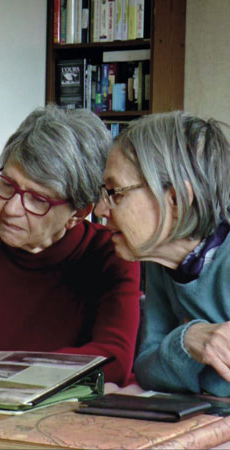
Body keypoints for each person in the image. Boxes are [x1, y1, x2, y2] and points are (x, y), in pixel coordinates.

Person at [0, 105, 142, 386]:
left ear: (79, 213)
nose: (10, 209)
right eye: (8, 185)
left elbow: (113, 363)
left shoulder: (112, 253)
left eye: (37, 199)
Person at [94, 111, 230, 395]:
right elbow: (146, 369)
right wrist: (187, 340)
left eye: (115, 192)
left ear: (177, 200)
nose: (100, 210)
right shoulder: (160, 260)